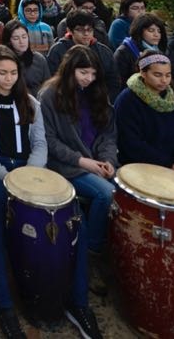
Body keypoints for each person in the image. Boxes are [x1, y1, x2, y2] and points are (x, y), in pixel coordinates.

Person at [0, 48, 99, 339]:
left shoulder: (29, 102)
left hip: (28, 167)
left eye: (13, 73)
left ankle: (79, 303)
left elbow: (39, 143)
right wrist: (9, 179)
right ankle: (5, 305)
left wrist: (30, 173)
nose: (8, 78)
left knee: (74, 218)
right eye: (2, 73)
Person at [40, 46, 118, 261]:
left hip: (97, 161)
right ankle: (92, 248)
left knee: (127, 191)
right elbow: (50, 141)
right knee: (106, 193)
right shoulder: (50, 96)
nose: (89, 79)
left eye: (93, 74)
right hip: (67, 165)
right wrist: (83, 162)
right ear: (70, 70)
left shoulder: (96, 93)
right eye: (83, 72)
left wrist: (108, 160)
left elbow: (107, 135)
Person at [113, 51, 174, 174]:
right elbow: (129, 143)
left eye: (168, 75)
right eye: (157, 75)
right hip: (142, 167)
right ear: (143, 73)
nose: (164, 80)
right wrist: (166, 163)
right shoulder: (127, 100)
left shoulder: (173, 97)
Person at [48, 11, 120, 100]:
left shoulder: (104, 52)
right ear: (69, 30)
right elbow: (53, 79)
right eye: (80, 30)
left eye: (89, 29)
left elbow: (113, 81)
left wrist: (104, 100)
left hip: (99, 102)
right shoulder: (58, 50)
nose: (86, 34)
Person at [112, 12, 169, 87]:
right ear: (139, 31)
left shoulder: (163, 49)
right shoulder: (123, 52)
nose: (156, 34)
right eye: (151, 30)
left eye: (159, 31)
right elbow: (117, 82)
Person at [0, 19, 52, 95]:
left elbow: (48, 87)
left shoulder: (39, 59)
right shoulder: (2, 61)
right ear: (8, 41)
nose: (21, 41)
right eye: (16, 38)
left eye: (24, 37)